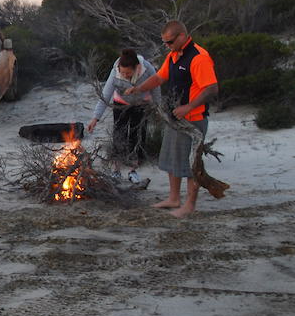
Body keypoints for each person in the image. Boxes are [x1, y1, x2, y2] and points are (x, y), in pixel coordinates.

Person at [124, 20, 219, 218]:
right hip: (174, 117)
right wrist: (139, 88)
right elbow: (159, 78)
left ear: (182, 36)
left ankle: (189, 205)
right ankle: (173, 198)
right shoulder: (173, 56)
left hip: (193, 119)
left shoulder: (199, 58)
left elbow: (211, 88)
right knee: (170, 159)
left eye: (169, 42)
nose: (167, 46)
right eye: (164, 43)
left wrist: (189, 107)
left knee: (192, 163)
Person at [86, 48, 160, 182]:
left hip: (141, 105)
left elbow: (156, 87)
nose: (125, 75)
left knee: (137, 136)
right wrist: (95, 118)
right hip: (120, 104)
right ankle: (116, 169)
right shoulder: (115, 72)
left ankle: (133, 171)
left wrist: (158, 108)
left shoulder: (147, 69)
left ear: (137, 68)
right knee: (119, 135)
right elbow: (105, 95)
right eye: (122, 72)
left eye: (128, 73)